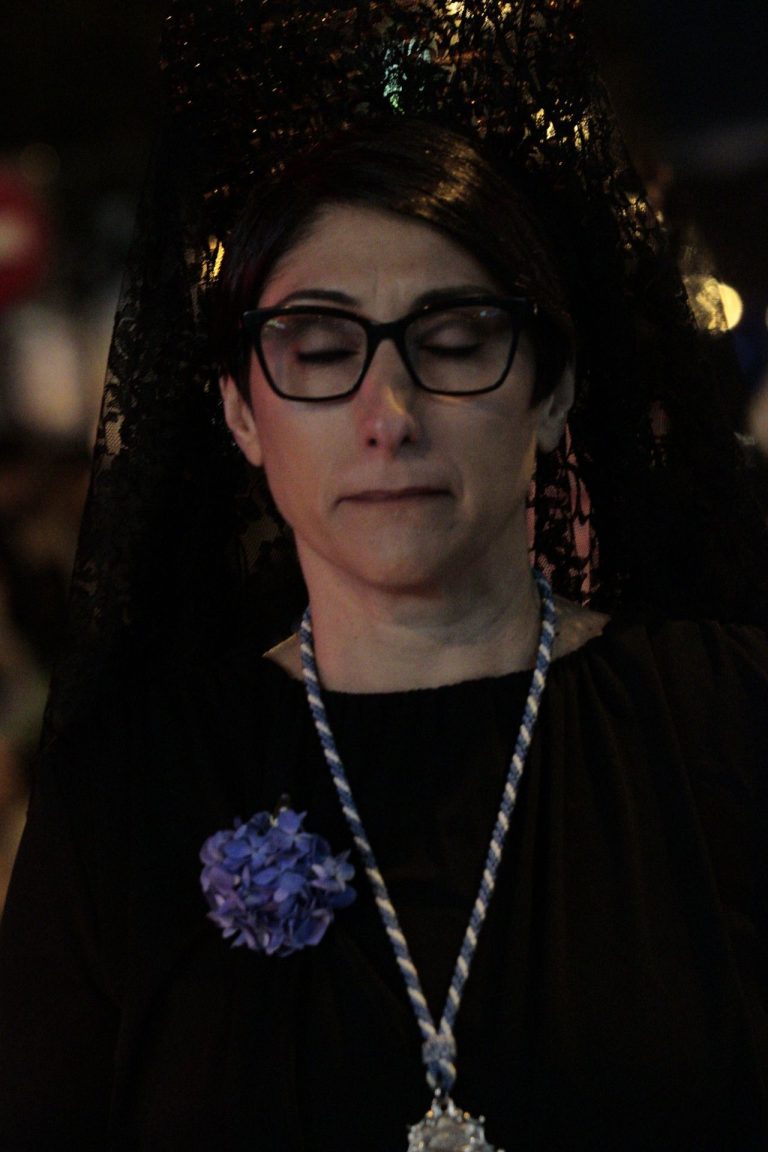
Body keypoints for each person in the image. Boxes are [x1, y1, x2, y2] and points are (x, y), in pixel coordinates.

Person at [1, 4, 767, 1150]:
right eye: (319, 348)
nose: (388, 414)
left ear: (552, 392)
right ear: (240, 411)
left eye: (453, 341)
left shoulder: (729, 723)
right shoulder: (129, 797)